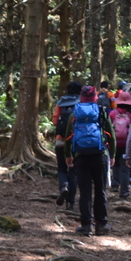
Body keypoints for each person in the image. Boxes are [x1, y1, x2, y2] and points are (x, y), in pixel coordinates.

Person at [65, 85, 115, 236]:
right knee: (100, 190)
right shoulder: (101, 111)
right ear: (95, 98)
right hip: (100, 155)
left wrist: (68, 155)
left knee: (85, 191)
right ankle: (102, 225)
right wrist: (112, 155)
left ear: (81, 97)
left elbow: (68, 136)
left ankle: (86, 225)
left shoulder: (74, 113)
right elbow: (110, 134)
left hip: (81, 157)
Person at [52, 81, 82, 209]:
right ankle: (71, 203)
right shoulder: (81, 103)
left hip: (60, 140)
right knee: (73, 172)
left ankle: (63, 186)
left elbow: (54, 121)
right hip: (76, 141)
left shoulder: (60, 103)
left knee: (62, 168)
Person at [109, 90, 131, 199]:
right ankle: (124, 191)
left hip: (114, 143)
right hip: (127, 145)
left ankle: (115, 184)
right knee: (125, 167)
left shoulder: (113, 113)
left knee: (115, 164)